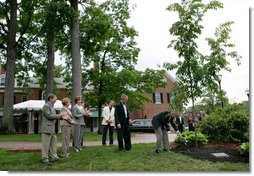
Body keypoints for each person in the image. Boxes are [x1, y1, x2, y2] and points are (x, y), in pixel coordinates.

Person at [41, 93, 65, 163]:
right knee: (45, 145)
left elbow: (54, 116)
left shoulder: (52, 107)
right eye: (55, 99)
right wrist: (59, 115)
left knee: (54, 143)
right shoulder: (46, 106)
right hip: (47, 128)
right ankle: (45, 158)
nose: (56, 100)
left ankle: (54, 157)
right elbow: (49, 116)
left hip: (52, 128)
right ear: (50, 99)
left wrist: (61, 117)